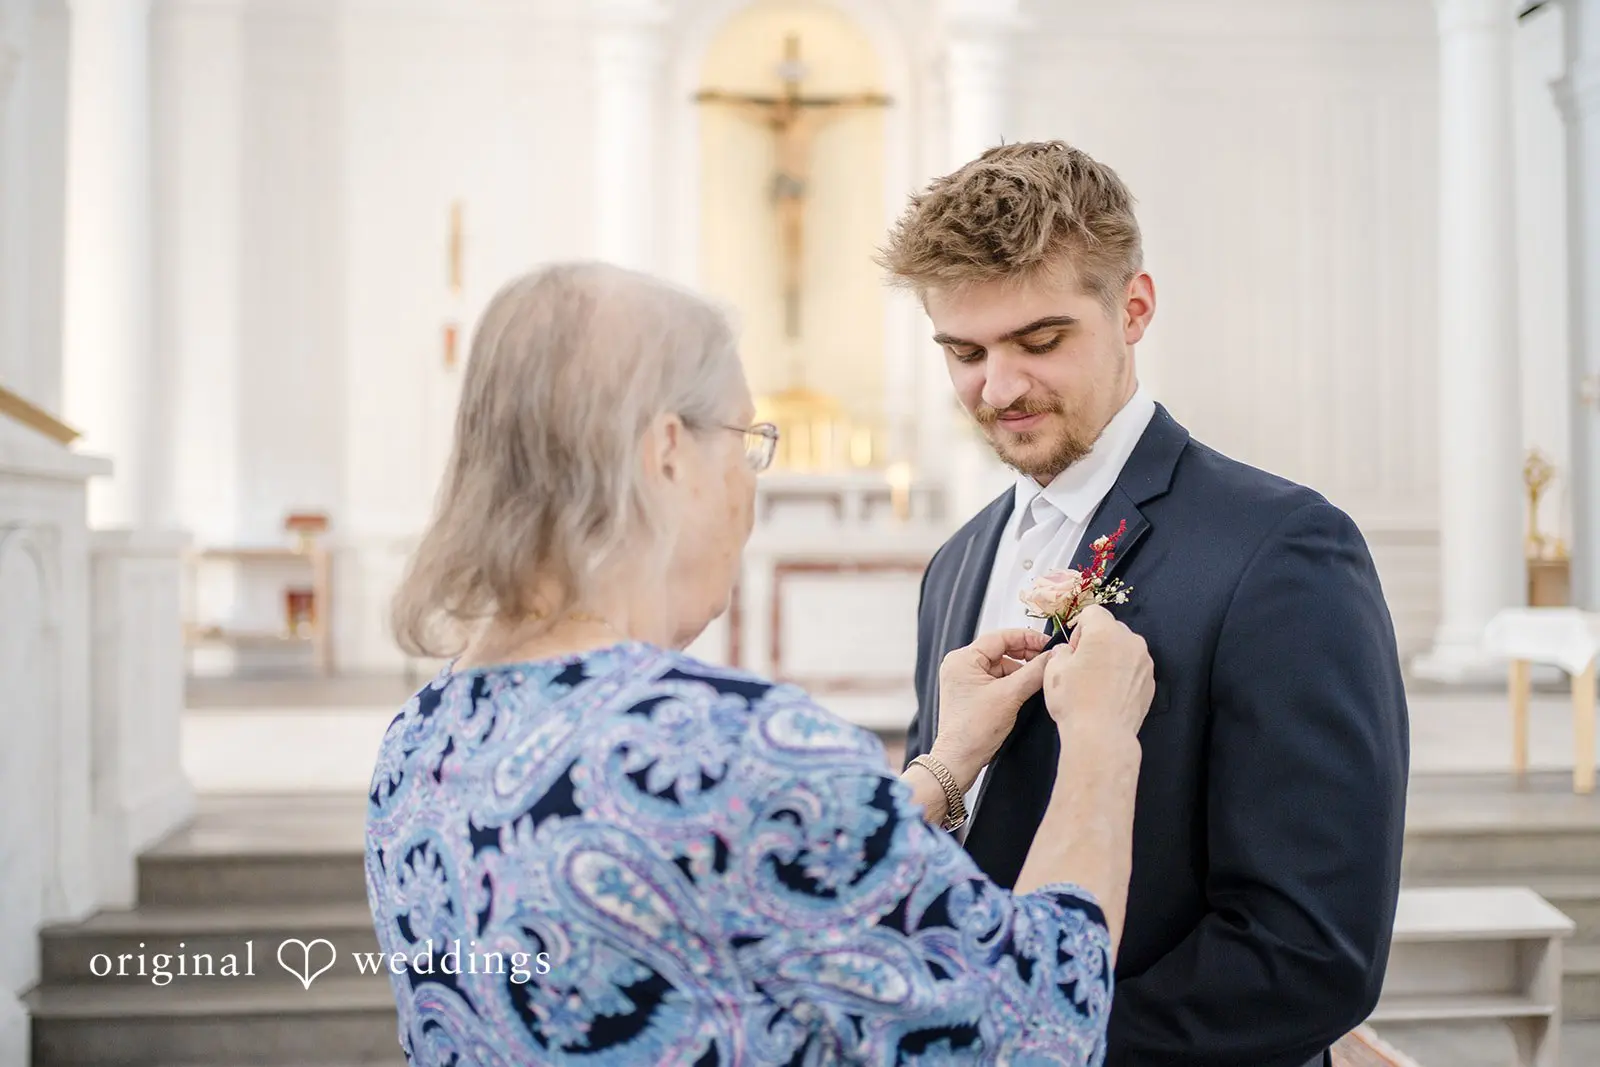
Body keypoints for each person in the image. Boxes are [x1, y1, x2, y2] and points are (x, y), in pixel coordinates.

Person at [364, 261, 1157, 1066]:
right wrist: (1099, 739)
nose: (750, 488)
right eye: (746, 442)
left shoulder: (421, 737)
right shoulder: (738, 742)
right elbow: (1040, 1025)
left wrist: (944, 765)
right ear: (668, 450)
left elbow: (729, 893)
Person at [884, 140, 1411, 1067]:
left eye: (1040, 342)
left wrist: (1040, 1049)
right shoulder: (956, 562)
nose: (998, 387)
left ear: (1134, 308)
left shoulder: (1281, 549)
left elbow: (1309, 948)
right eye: (964, 351)